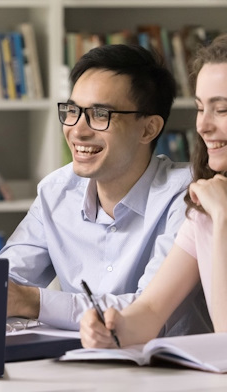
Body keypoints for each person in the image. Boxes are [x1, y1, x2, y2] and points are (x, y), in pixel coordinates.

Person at [0, 44, 212, 334]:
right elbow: (2, 284)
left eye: (100, 114)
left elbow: (144, 310)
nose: (77, 130)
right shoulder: (55, 192)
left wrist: (32, 302)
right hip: (76, 364)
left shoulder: (188, 194)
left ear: (149, 129)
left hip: (168, 372)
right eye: (72, 110)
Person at [80, 34, 227, 348]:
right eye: (201, 109)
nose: (203, 126)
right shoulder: (206, 206)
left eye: (222, 110)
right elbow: (151, 309)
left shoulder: (217, 207)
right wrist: (114, 328)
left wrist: (224, 220)